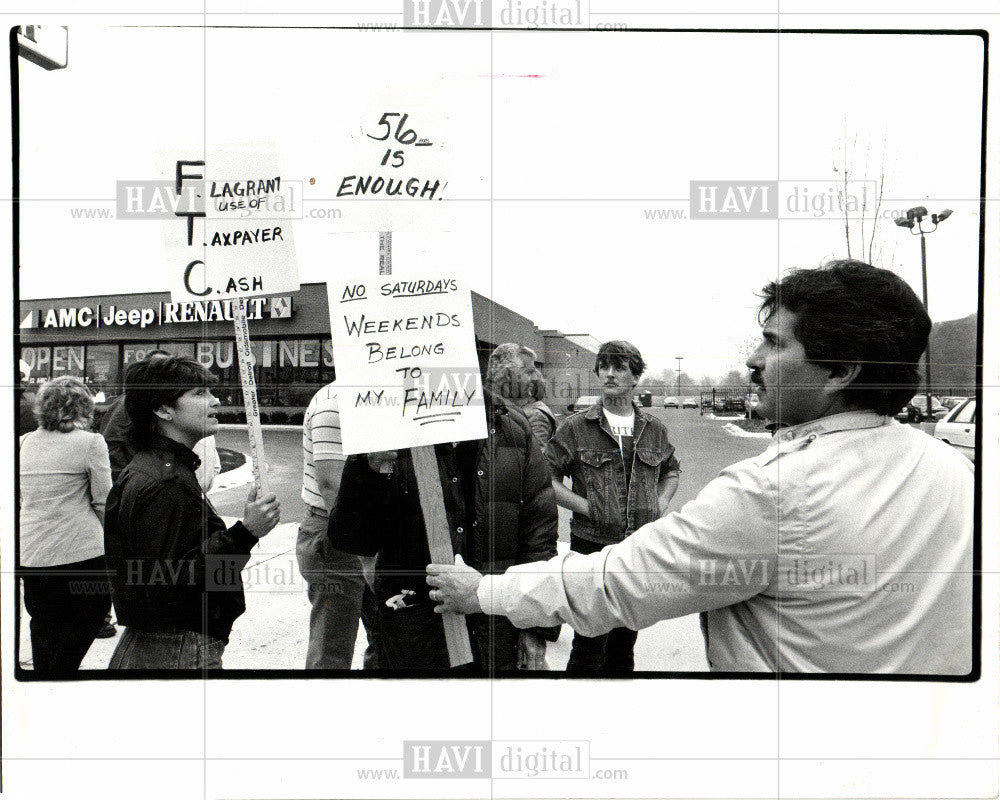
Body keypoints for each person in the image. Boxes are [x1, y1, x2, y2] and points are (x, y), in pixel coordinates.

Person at [428, 260, 974, 674]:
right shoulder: (951, 471)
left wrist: (482, 592)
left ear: (842, 372)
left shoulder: (777, 494)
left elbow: (620, 583)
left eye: (774, 343)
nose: (753, 361)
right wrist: (590, 506)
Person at [328, 387, 558, 671]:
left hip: (497, 632)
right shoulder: (386, 428)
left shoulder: (508, 424)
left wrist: (535, 625)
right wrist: (369, 468)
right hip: (414, 637)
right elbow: (353, 539)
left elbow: (538, 533)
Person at [103, 356, 281, 669]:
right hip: (178, 649)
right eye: (199, 393)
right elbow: (171, 584)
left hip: (174, 644)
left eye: (211, 392)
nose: (215, 401)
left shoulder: (158, 468)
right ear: (162, 410)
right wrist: (245, 533)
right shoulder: (163, 482)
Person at [544, 340, 679, 674]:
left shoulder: (654, 429)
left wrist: (658, 504)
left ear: (635, 377)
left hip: (637, 549)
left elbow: (671, 470)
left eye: (618, 367)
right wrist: (588, 508)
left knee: (623, 645)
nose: (609, 374)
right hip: (591, 547)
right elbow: (548, 479)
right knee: (589, 643)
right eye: (603, 367)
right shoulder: (575, 428)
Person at [18, 377, 113, 672]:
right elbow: (103, 502)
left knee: (43, 623)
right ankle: (60, 677)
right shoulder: (91, 443)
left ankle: (45, 679)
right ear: (84, 407)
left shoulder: (23, 443)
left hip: (32, 553)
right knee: (90, 617)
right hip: (81, 553)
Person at [296, 380, 379, 669]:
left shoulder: (376, 396)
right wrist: (365, 551)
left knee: (388, 638)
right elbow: (332, 485)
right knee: (332, 648)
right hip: (339, 537)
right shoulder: (335, 401)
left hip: (368, 532)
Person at [485, 343, 558, 447]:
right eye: (529, 372)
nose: (535, 378)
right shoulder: (503, 411)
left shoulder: (530, 414)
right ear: (508, 374)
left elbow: (536, 460)